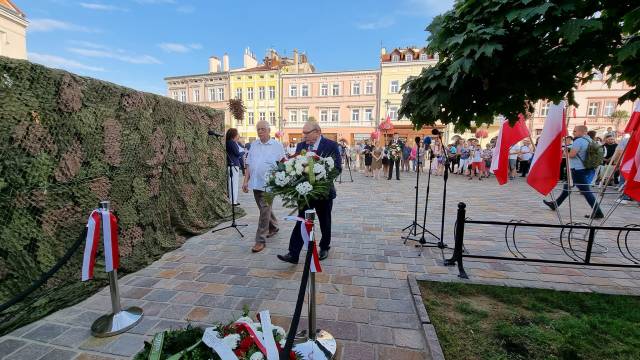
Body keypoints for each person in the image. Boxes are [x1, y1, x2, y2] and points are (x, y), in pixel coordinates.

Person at [278, 121, 342, 264]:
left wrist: (322, 179)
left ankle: (324, 247)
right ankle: (293, 253)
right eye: (303, 133)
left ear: (317, 132)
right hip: (305, 192)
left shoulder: (331, 145)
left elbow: (337, 167)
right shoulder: (301, 146)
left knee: (324, 221)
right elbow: (295, 165)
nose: (304, 136)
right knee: (302, 220)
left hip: (323, 192)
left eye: (307, 133)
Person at [543, 125, 605, 219]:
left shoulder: (579, 140)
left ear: (581, 132)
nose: (573, 133)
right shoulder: (590, 140)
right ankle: (555, 204)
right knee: (567, 186)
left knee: (586, 191)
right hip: (586, 168)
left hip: (577, 169)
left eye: (575, 131)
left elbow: (572, 155)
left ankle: (598, 212)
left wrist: (563, 152)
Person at [242, 121, 285, 253]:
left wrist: (280, 180)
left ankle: (260, 240)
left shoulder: (277, 145)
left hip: (270, 184)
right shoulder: (254, 145)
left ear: (268, 130)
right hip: (256, 182)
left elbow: (282, 164)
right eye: (258, 129)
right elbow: (248, 164)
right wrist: (245, 181)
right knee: (264, 208)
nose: (260, 131)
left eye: (262, 129)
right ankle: (273, 227)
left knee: (264, 210)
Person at [225, 128, 243, 206]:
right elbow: (237, 154)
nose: (238, 135)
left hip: (233, 165)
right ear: (234, 135)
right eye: (237, 134)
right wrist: (243, 152)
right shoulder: (231, 143)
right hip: (233, 165)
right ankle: (233, 201)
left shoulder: (230, 142)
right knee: (233, 184)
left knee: (233, 183)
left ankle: (234, 200)